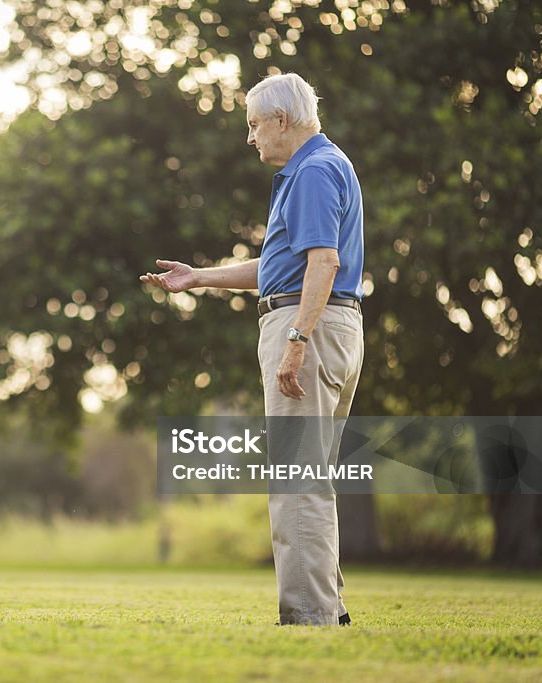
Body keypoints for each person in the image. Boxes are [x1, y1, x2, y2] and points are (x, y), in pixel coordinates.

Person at [141, 73, 365, 626]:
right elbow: (277, 269)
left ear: (281, 121)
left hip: (307, 326)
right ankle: (327, 610)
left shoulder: (311, 172)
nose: (251, 138)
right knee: (312, 477)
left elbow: (323, 264)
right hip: (329, 324)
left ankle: (311, 617)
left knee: (297, 480)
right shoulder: (323, 165)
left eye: (254, 125)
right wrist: (198, 279)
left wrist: (295, 342)